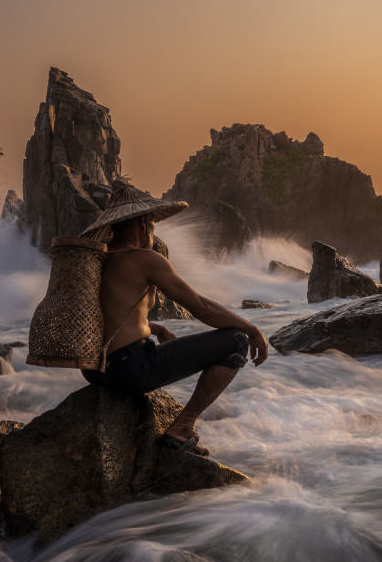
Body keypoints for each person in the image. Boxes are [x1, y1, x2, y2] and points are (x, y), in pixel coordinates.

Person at [81, 179, 268, 457]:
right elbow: (202, 308)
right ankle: (183, 427)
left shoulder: (98, 256)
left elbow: (107, 311)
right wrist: (252, 328)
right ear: (143, 222)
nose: (155, 229)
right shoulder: (146, 258)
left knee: (225, 340)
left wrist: (155, 329)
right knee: (236, 342)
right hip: (130, 370)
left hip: (94, 369)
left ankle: (181, 425)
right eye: (153, 222)